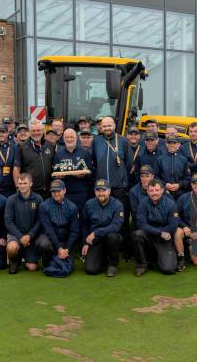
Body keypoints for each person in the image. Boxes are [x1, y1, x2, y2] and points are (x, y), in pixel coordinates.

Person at [91, 117, 130, 255]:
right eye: (104, 126)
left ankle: (123, 248)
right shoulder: (96, 141)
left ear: (114, 126)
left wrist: (121, 179)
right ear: (101, 127)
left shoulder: (123, 140)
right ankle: (102, 247)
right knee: (101, 217)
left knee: (121, 218)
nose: (107, 128)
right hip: (102, 187)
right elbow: (94, 161)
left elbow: (128, 163)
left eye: (109, 125)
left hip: (119, 187)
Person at [132, 179, 178, 276]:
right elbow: (142, 224)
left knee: (168, 269)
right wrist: (159, 232)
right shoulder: (143, 204)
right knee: (138, 234)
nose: (154, 193)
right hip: (150, 236)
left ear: (162, 190)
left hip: (165, 239)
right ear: (147, 191)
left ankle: (155, 259)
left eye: (156, 190)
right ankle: (142, 265)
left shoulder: (171, 204)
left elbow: (173, 226)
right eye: (151, 190)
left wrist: (162, 233)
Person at [81, 179, 124, 277]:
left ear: (109, 191)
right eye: (98, 190)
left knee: (112, 237)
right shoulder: (89, 204)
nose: (101, 193)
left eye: (103, 190)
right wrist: (85, 243)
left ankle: (113, 264)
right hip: (95, 240)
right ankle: (103, 259)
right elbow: (84, 225)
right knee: (90, 270)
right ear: (95, 191)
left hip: (110, 237)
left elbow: (116, 226)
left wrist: (96, 233)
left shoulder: (117, 205)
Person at [5, 173, 43, 274]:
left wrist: (29, 236)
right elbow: (8, 221)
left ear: (31, 184)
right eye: (20, 183)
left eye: (25, 183)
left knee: (32, 267)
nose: (22, 186)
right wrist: (21, 237)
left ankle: (24, 255)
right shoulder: (11, 199)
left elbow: (40, 220)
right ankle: (14, 261)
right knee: (12, 247)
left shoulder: (38, 199)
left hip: (31, 237)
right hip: (16, 235)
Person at [36, 179, 80, 269]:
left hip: (66, 243)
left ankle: (61, 257)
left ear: (64, 190)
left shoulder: (72, 207)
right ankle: (46, 263)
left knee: (68, 267)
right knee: (43, 243)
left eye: (58, 191)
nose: (56, 194)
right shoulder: (44, 206)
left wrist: (67, 248)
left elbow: (74, 231)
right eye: (53, 191)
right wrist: (59, 248)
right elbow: (48, 230)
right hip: (51, 241)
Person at [52, 128, 95, 218]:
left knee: (83, 218)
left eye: (71, 137)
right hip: (64, 193)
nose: (69, 139)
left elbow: (91, 173)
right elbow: (54, 173)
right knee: (66, 218)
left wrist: (83, 175)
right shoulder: (58, 154)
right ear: (63, 139)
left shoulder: (85, 153)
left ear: (76, 138)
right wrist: (58, 177)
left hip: (82, 193)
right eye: (67, 137)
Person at [13, 119, 55, 198]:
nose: (36, 133)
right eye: (33, 131)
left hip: (49, 191)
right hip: (31, 191)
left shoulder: (50, 146)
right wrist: (18, 187)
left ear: (43, 130)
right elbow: (16, 169)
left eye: (38, 130)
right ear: (29, 132)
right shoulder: (22, 147)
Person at [158, 135, 191, 200]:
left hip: (180, 194)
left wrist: (179, 185)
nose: (172, 145)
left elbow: (188, 178)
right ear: (166, 144)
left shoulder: (184, 160)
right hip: (164, 193)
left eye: (174, 143)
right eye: (170, 143)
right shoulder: (160, 159)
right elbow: (156, 176)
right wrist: (164, 184)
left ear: (178, 145)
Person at [0, 123, 18, 197]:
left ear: (8, 133)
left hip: (11, 189)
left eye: (3, 132)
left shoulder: (15, 148)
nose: (0, 134)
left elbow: (17, 168)